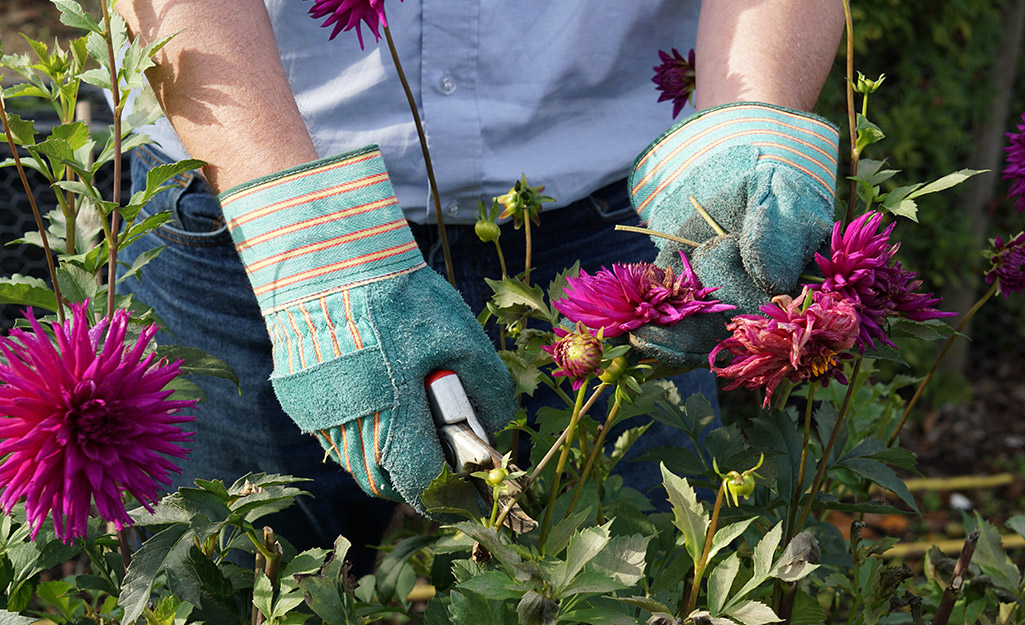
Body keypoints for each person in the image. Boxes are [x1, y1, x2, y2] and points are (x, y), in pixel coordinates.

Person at [114, 0, 844, 567]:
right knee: (233, 568)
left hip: (619, 218)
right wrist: (304, 244)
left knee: (636, 572)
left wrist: (746, 124)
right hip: (247, 206)